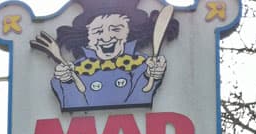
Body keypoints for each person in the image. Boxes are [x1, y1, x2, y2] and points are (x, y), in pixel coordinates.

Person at [36, 0, 179, 112]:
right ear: (88, 37)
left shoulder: (143, 64)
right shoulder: (76, 69)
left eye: (116, 29)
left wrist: (150, 76)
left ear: (129, 32)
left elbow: (142, 94)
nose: (106, 37)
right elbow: (73, 101)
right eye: (97, 31)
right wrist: (66, 81)